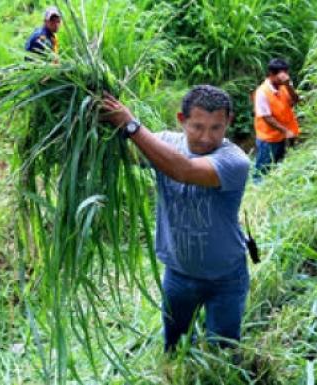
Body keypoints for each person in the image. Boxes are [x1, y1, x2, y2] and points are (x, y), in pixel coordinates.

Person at [100, 85, 251, 352]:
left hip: (226, 277)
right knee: (175, 346)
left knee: (223, 353)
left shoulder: (235, 160)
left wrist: (132, 126)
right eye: (197, 126)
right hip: (178, 274)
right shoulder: (166, 143)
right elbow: (124, 154)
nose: (206, 137)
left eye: (216, 127)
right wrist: (99, 120)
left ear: (229, 122)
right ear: (182, 120)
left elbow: (184, 170)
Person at [252, 58, 300, 182]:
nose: (284, 79)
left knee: (279, 165)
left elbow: (295, 101)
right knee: (262, 170)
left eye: (286, 74)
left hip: (284, 135)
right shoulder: (262, 92)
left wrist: (288, 85)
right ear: (272, 75)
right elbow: (267, 117)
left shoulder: (285, 85)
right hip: (268, 138)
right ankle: (257, 191)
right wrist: (285, 131)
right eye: (280, 76)